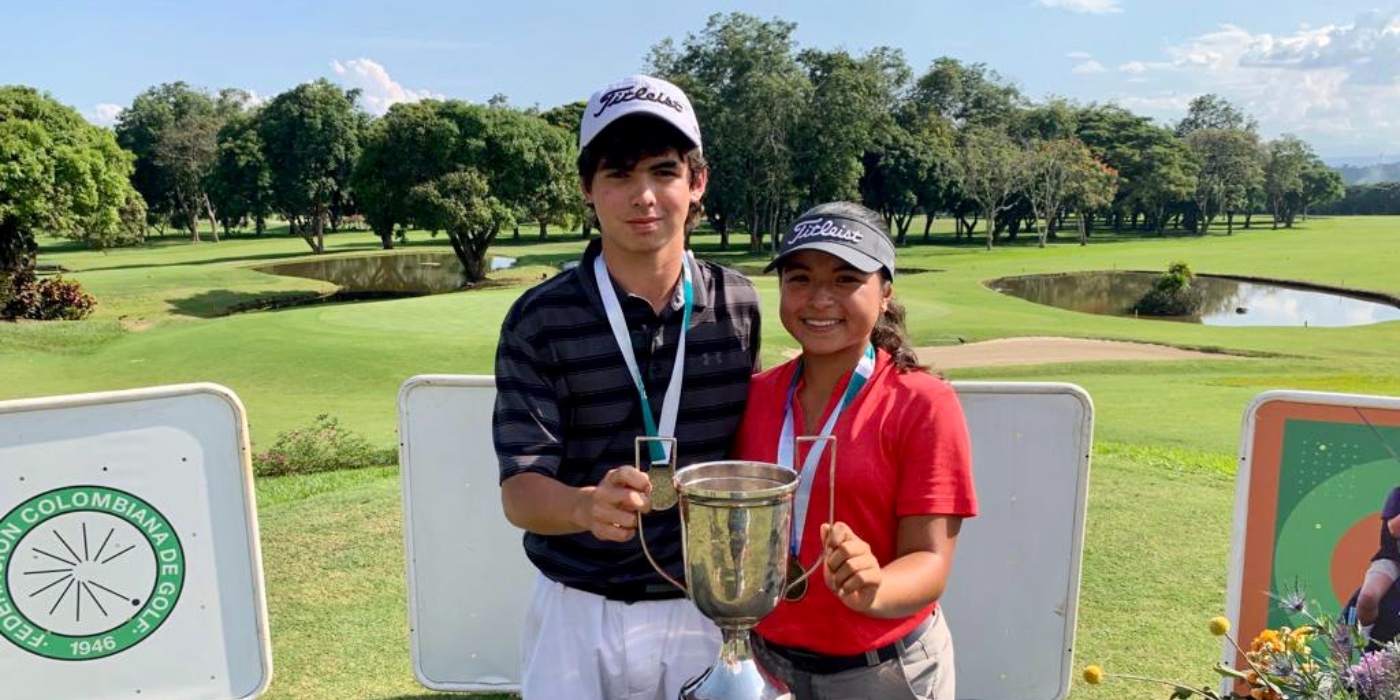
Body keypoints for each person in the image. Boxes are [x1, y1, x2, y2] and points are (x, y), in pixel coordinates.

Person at [492, 74, 762, 700]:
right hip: (576, 609)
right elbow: (521, 492)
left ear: (697, 183)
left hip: (704, 605)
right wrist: (585, 506)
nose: (643, 196)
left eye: (664, 171)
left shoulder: (738, 306)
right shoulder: (540, 319)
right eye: (617, 174)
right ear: (587, 189)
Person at [733, 201, 977, 700]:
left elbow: (930, 562)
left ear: (885, 293)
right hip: (768, 668)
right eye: (799, 279)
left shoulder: (923, 403)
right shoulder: (758, 397)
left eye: (846, 280)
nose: (819, 299)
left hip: (882, 674)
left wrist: (877, 587)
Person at [1358, 486, 1400, 641]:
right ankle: (1365, 636)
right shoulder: (1398, 494)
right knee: (1368, 596)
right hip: (1393, 560)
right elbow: (1394, 529)